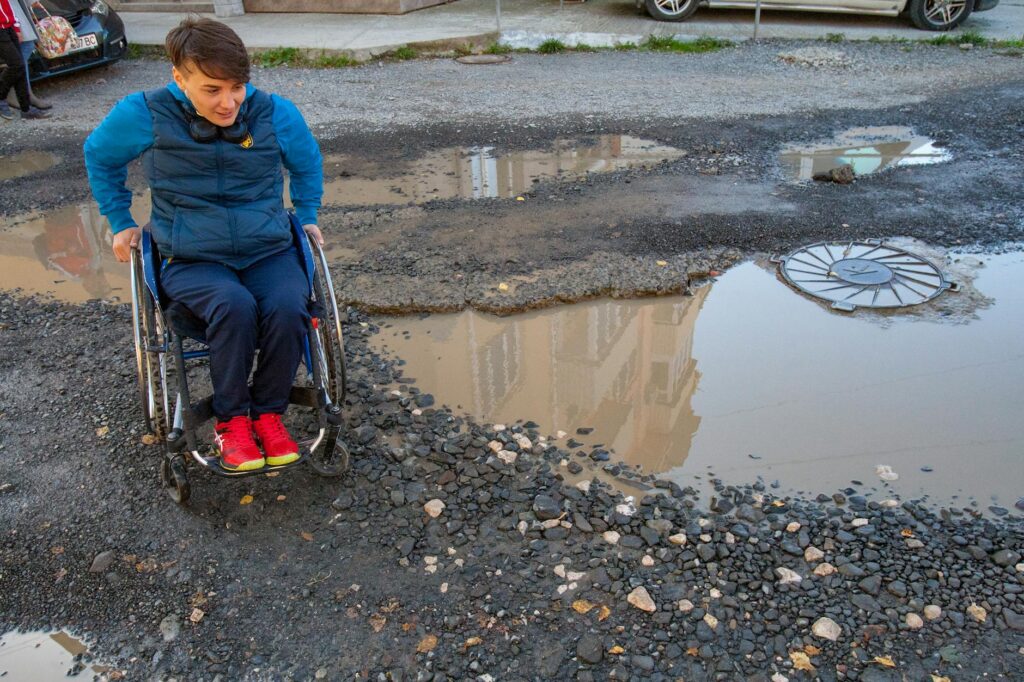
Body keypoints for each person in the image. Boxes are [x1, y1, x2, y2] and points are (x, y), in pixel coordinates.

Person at [84, 17, 324, 472]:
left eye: (237, 87)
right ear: (179, 78)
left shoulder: (274, 113)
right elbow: (99, 154)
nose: (229, 102)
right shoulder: (144, 113)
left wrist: (307, 215)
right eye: (212, 89)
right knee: (232, 305)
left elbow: (308, 161)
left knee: (290, 304)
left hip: (266, 248)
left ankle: (268, 415)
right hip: (190, 256)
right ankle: (232, 423)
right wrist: (120, 221)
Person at [0, 0, 49, 119]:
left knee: (20, 66)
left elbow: (8, 6)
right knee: (16, 65)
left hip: (9, 25)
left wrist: (16, 27)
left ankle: (26, 108)